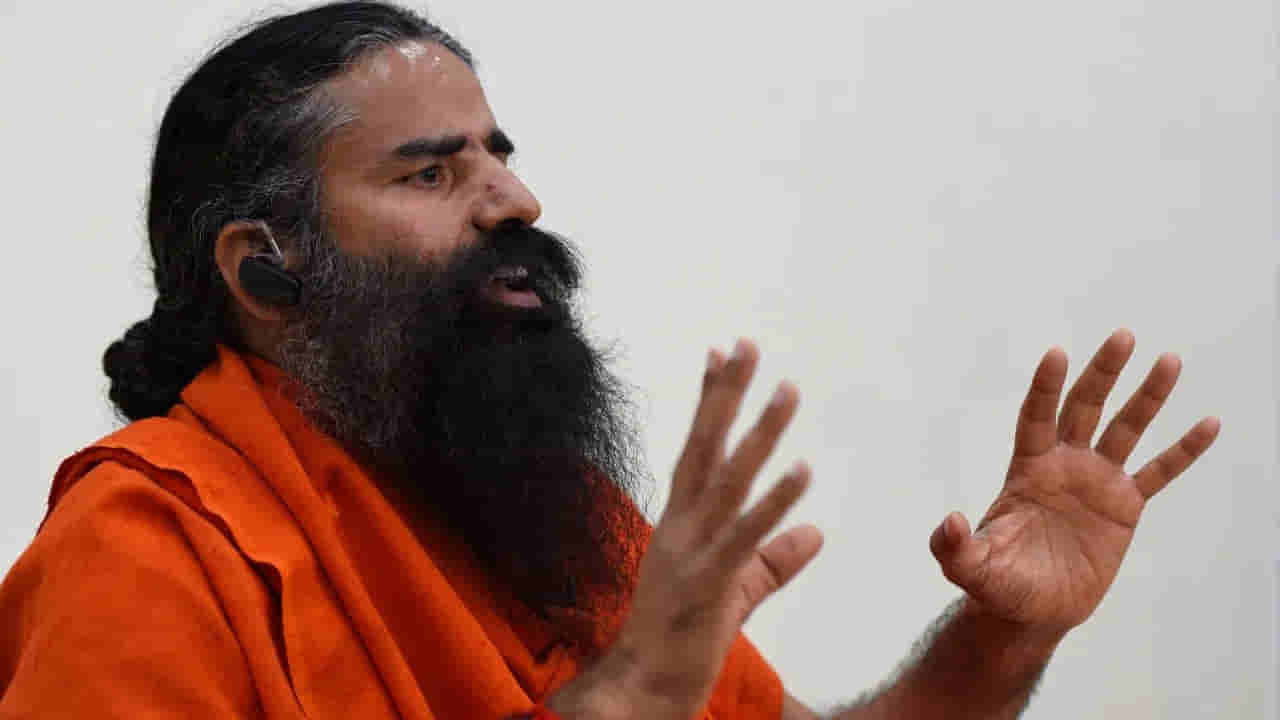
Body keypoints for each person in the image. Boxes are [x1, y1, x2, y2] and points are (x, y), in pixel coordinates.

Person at [0, 3, 1220, 719]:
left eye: (498, 155)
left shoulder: (547, 514)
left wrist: (999, 637)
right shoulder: (144, 548)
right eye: (429, 173)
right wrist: (632, 691)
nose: (513, 200)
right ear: (265, 268)